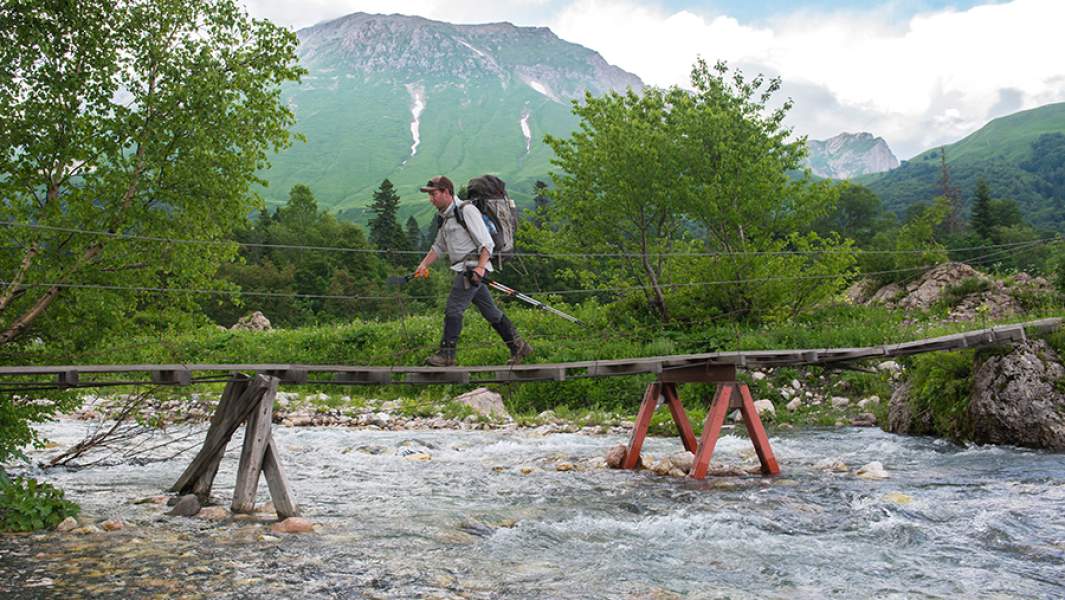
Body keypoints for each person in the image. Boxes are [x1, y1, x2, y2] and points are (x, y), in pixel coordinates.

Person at [413, 175, 533, 367]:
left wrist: (479, 268)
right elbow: (438, 246)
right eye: (430, 195)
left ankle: (446, 355)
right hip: (468, 269)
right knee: (491, 313)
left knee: (453, 309)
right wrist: (423, 265)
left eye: (434, 194)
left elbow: (487, 243)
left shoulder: (467, 211)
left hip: (471, 270)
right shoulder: (445, 217)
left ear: (446, 192)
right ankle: (519, 346)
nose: (431, 199)